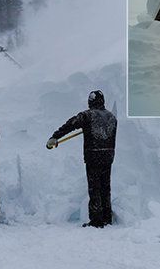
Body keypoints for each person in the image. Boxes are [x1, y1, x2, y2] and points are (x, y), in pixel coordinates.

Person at [47, 90, 117, 228]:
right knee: (105, 187)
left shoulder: (87, 115)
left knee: (94, 188)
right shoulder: (112, 117)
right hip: (108, 156)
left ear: (90, 102)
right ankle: (107, 218)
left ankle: (96, 220)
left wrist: (55, 136)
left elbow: (71, 124)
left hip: (93, 156)